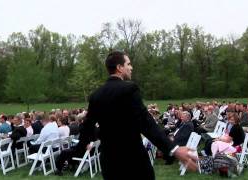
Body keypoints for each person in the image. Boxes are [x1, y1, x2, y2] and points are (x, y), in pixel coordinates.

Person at [75, 51, 197, 180]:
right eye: (128, 64)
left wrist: (79, 149)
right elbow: (146, 123)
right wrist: (174, 149)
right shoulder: (129, 89)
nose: (131, 67)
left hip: (109, 165)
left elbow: (87, 127)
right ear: (119, 67)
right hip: (134, 163)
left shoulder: (96, 95)